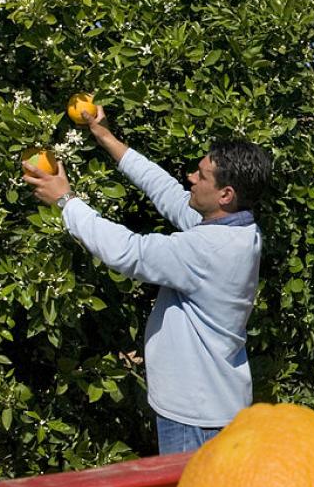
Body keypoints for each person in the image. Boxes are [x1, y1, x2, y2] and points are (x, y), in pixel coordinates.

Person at [22, 105, 271, 454]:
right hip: (210, 405)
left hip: (196, 418)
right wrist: (106, 137)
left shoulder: (209, 249)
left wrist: (65, 200)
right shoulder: (237, 227)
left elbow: (128, 252)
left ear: (225, 194)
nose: (190, 178)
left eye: (201, 175)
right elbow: (165, 190)